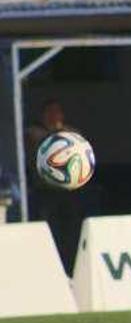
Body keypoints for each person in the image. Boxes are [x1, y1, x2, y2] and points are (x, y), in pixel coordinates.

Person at [25, 100, 85, 275]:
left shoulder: (72, 132)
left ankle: (73, 267)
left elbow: (77, 147)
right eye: (50, 112)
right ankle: (50, 269)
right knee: (50, 231)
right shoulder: (33, 133)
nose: (54, 116)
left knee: (72, 230)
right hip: (45, 192)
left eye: (57, 112)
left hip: (69, 192)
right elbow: (42, 143)